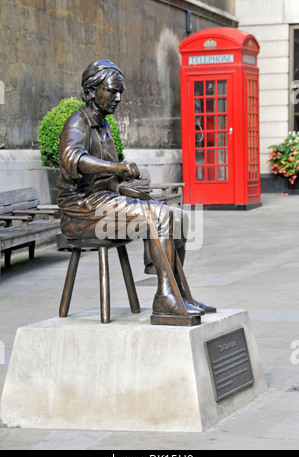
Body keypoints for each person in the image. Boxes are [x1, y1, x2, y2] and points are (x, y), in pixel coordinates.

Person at [58, 59, 215, 324]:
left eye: (120, 92)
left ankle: (178, 292)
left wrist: (123, 183)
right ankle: (165, 297)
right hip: (82, 210)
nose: (118, 97)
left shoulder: (104, 125)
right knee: (159, 217)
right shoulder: (78, 123)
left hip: (105, 200)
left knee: (177, 215)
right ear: (92, 90)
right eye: (112, 90)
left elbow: (108, 178)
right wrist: (116, 167)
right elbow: (72, 158)